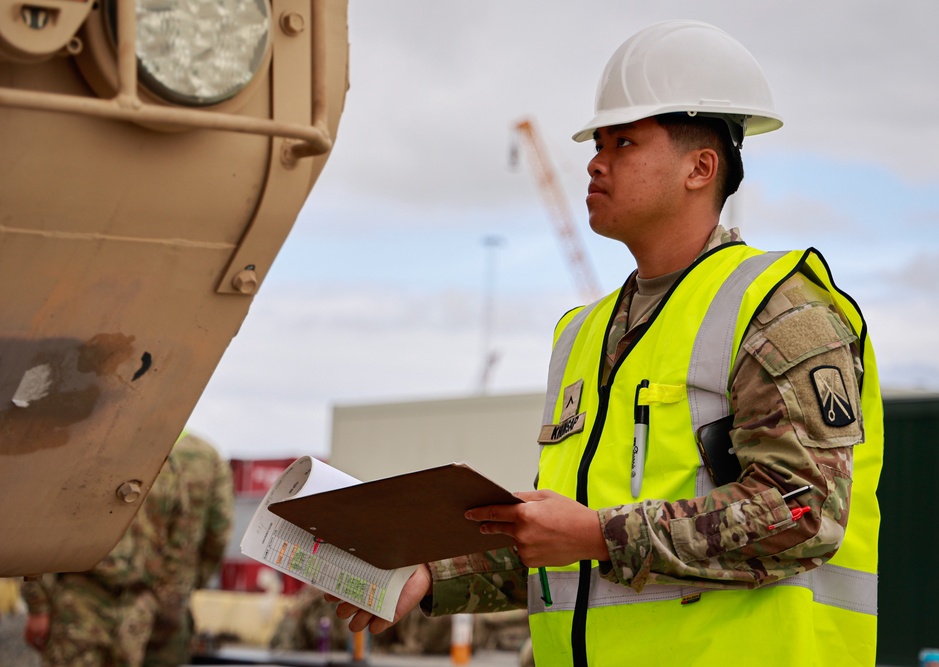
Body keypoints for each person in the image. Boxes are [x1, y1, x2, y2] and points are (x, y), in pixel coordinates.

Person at [329, 20, 883, 667]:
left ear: (700, 167)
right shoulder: (583, 334)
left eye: (623, 142)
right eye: (598, 142)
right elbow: (568, 558)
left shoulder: (781, 310)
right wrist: (430, 575)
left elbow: (802, 514)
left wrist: (595, 532)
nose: (595, 161)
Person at [22, 451, 188, 667]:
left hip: (137, 603)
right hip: (81, 597)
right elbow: (38, 530)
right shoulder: (85, 452)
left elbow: (180, 537)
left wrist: (161, 599)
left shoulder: (168, 464)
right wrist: (38, 604)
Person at [143, 432, 234, 667]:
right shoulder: (207, 455)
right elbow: (219, 529)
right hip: (172, 595)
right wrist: (197, 578)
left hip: (110, 592)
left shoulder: (128, 443)